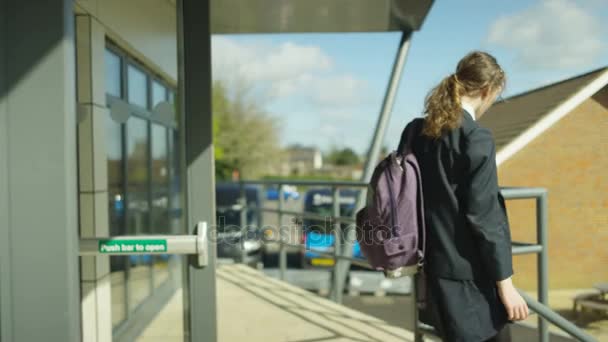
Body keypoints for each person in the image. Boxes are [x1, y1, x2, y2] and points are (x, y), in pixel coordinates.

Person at [398, 51, 529, 342]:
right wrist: (505, 285)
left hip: (431, 270)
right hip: (470, 280)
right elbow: (484, 216)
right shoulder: (476, 138)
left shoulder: (415, 131)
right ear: (487, 90)